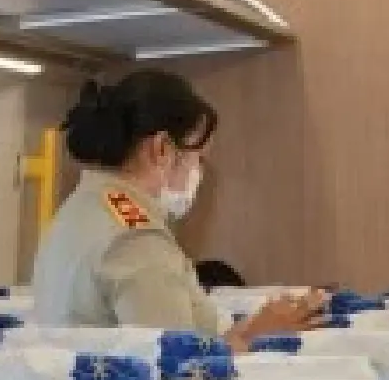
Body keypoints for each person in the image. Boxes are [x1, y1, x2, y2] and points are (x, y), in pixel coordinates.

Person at [32, 70, 323, 348]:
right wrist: (258, 336)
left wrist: (257, 326)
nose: (199, 172)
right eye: (198, 158)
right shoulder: (135, 238)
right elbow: (176, 365)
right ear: (161, 149)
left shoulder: (83, 207)